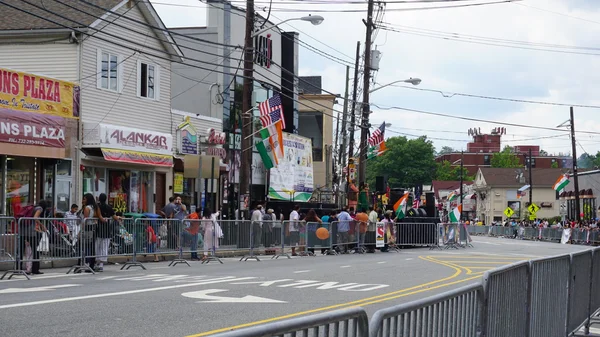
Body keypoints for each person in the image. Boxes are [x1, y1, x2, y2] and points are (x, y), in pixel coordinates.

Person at [20, 200, 49, 275]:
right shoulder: (40, 209)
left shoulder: (33, 207)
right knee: (35, 251)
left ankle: (18, 268)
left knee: (20, 251)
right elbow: (35, 217)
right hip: (31, 232)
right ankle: (35, 269)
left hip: (23, 231)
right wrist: (42, 226)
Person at [78, 193, 104, 272]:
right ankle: (91, 265)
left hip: (87, 229)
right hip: (93, 228)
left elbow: (85, 220)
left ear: (87, 200)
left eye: (84, 199)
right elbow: (99, 217)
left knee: (82, 247)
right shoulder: (95, 207)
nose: (83, 200)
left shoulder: (87, 208)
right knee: (91, 247)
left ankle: (81, 264)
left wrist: (80, 231)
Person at [96, 193, 120, 272]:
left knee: (97, 246)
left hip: (98, 228)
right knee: (104, 246)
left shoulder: (97, 207)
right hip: (106, 229)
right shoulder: (109, 207)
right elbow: (114, 217)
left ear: (99, 199)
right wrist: (119, 217)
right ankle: (101, 265)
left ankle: (97, 263)